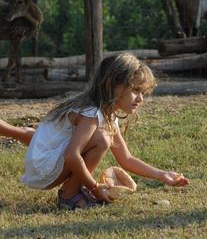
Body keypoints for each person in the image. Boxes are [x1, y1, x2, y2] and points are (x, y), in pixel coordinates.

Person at [0, 53, 189, 210]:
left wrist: (161, 175)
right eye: (135, 90)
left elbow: (127, 159)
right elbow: (71, 155)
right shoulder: (92, 113)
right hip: (43, 172)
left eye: (143, 93)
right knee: (102, 139)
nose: (140, 98)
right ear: (112, 86)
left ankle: (74, 189)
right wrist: (95, 187)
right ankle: (69, 196)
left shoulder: (106, 113)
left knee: (97, 136)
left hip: (43, 159)